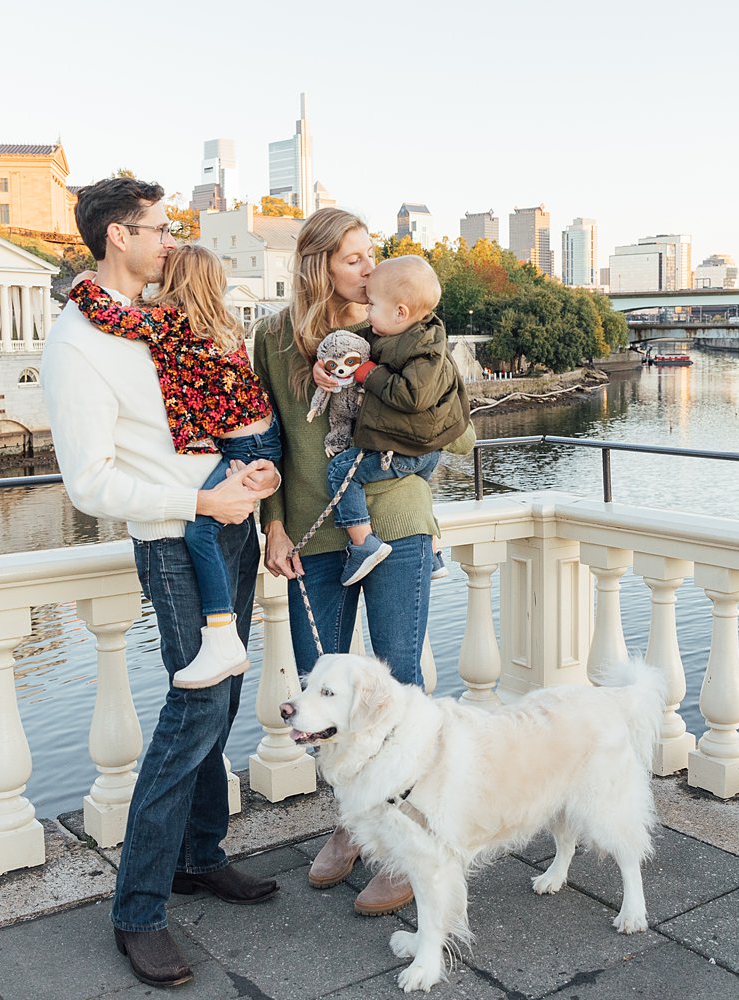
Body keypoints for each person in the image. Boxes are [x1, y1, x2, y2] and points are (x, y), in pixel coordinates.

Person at [41, 177, 280, 990]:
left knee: (223, 696)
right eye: (157, 229)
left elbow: (213, 417)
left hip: (229, 524)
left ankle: (198, 857)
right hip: (176, 539)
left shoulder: (159, 322)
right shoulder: (78, 342)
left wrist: (247, 479)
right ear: (116, 236)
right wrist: (197, 498)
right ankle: (137, 911)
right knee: (196, 706)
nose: (171, 241)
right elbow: (90, 484)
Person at [254, 208, 473, 917]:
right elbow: (268, 442)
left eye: (371, 255)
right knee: (326, 698)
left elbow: (450, 424)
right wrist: (275, 525)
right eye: (353, 258)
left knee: (399, 686)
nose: (368, 268)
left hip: (398, 523)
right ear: (318, 264)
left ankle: (409, 844)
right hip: (314, 535)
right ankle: (352, 826)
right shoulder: (275, 337)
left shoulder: (403, 332)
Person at [67, 245, 281, 689]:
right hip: (264, 436)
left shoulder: (170, 325)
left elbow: (113, 316)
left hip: (241, 441)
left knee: (200, 528)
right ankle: (225, 637)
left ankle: (219, 633)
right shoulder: (226, 324)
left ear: (175, 282)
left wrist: (82, 285)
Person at [326, 255, 469, 586]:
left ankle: (363, 543)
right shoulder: (408, 335)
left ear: (400, 312)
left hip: (409, 451)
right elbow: (366, 341)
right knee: (418, 489)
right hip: (424, 453)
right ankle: (432, 549)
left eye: (373, 305)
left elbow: (411, 395)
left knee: (341, 472)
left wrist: (369, 374)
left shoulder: (423, 353)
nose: (367, 311)